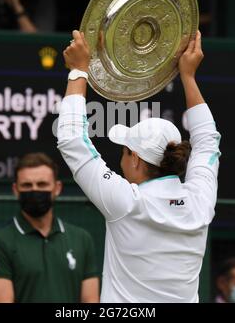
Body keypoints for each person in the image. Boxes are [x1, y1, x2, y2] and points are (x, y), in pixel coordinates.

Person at [57, 30, 221, 303]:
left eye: (124, 151)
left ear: (134, 157)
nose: (121, 161)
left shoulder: (127, 202)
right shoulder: (199, 201)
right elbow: (208, 142)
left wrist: (78, 71)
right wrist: (189, 77)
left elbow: (72, 140)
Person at [0, 152, 99, 303]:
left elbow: (90, 300)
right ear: (15, 190)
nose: (35, 190)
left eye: (42, 184)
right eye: (27, 185)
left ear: (57, 188)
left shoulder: (81, 239)